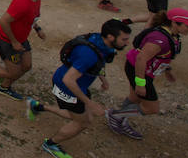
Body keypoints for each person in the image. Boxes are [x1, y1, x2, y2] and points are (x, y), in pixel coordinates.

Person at [26, 19, 132, 158]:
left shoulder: (100, 41)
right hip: (67, 87)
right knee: (83, 122)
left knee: (78, 115)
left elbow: (100, 61)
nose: (127, 43)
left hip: (77, 85)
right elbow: (68, 80)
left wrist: (103, 79)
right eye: (124, 39)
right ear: (111, 37)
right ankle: (51, 144)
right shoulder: (88, 55)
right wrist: (91, 103)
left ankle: (36, 106)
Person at [105, 8, 188, 140]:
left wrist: (167, 70)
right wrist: (141, 83)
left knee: (135, 99)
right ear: (175, 23)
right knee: (151, 108)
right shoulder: (160, 39)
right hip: (139, 70)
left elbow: (162, 56)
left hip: (139, 68)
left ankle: (119, 118)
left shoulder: (171, 35)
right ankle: (116, 116)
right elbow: (141, 58)